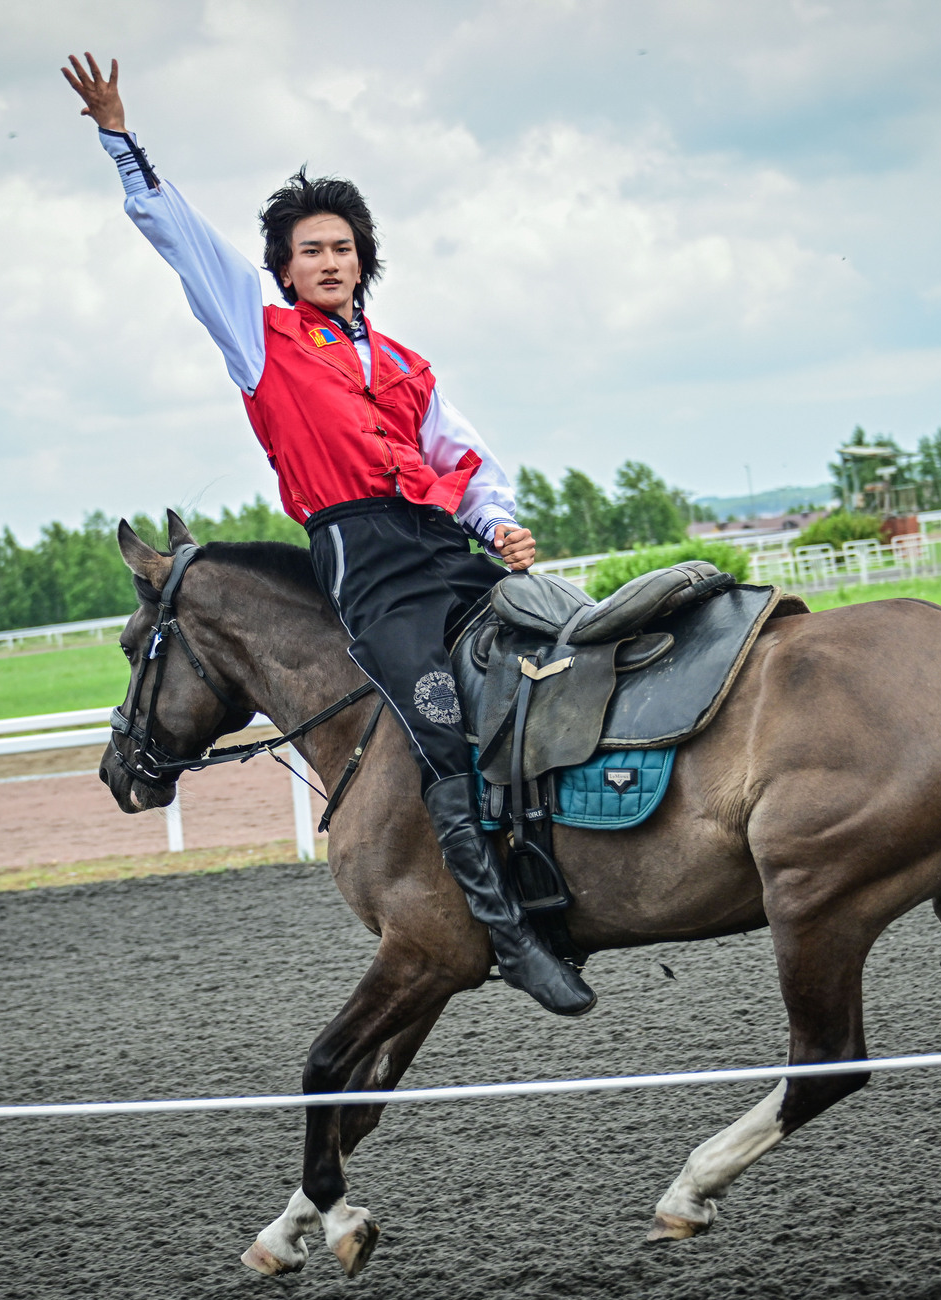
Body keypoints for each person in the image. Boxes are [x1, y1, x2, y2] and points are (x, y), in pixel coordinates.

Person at [61, 53, 594, 1016]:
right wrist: (119, 139)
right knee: (436, 720)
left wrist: (502, 529)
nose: (329, 261)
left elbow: (466, 460)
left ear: (363, 260)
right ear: (283, 268)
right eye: (311, 250)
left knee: (563, 640)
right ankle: (507, 932)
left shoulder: (405, 362)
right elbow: (184, 244)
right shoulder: (256, 336)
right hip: (365, 567)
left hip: (442, 547)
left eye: (343, 247)